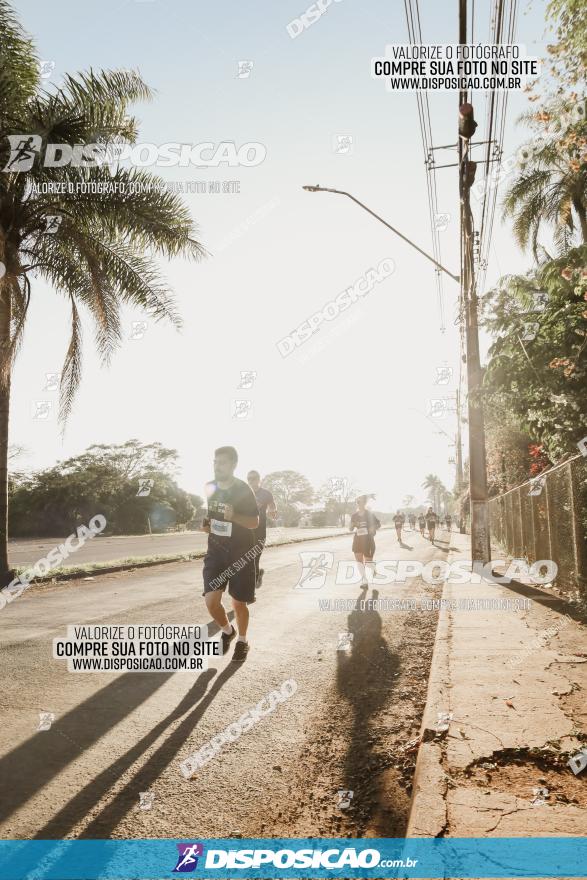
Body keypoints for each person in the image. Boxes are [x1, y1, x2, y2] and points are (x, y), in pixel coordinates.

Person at [201, 446, 259, 663]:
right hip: (216, 551)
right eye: (215, 461)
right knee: (211, 602)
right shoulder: (210, 487)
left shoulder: (244, 490)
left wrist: (234, 516)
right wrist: (207, 525)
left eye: (222, 462)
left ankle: (242, 641)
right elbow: (211, 514)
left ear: (234, 464)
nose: (217, 466)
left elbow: (254, 522)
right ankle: (227, 631)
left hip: (240, 552)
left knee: (238, 603)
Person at [247, 470, 277, 588]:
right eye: (249, 478)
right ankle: (256, 577)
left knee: (255, 559)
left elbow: (272, 505)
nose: (251, 481)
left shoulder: (266, 493)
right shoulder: (244, 494)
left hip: (260, 531)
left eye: (253, 478)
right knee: (247, 561)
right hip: (246, 532)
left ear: (259, 480)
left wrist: (272, 510)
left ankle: (251, 591)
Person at [350, 496, 381, 587]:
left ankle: (373, 568)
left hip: (368, 541)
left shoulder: (369, 514)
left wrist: (373, 528)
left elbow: (378, 524)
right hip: (358, 540)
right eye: (358, 502)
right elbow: (350, 528)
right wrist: (352, 526)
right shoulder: (354, 516)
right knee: (359, 561)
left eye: (362, 502)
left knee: (368, 562)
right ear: (357, 503)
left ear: (365, 503)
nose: (360, 503)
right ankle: (364, 580)